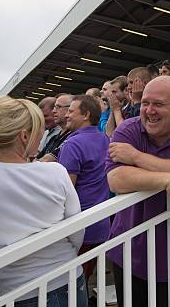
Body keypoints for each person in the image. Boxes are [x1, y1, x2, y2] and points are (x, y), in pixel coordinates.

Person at [0, 96, 86, 306]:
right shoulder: (56, 172)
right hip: (67, 278)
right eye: (39, 130)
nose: (42, 136)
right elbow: (76, 231)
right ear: (24, 136)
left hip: (14, 290)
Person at [106, 76, 170, 307]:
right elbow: (116, 179)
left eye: (159, 104)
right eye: (145, 103)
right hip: (127, 251)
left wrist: (135, 157)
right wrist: (166, 179)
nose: (149, 111)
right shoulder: (127, 129)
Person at [58, 95, 110, 281]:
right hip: (100, 225)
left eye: (71, 111)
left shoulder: (72, 144)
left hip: (78, 229)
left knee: (70, 288)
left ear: (86, 114)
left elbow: (64, 192)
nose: (66, 116)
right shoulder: (106, 139)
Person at [39, 94, 74, 161]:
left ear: (70, 108)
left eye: (58, 107)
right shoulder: (54, 138)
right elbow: (38, 158)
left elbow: (46, 160)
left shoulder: (73, 137)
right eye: (54, 107)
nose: (54, 111)